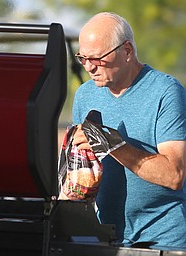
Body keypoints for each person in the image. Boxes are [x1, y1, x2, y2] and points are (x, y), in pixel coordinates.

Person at [72, 12, 186, 248]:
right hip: (105, 239)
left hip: (163, 242)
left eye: (97, 58)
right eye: (82, 59)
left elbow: (174, 176)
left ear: (127, 51)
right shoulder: (85, 94)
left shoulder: (166, 92)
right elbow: (83, 171)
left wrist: (112, 144)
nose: (89, 68)